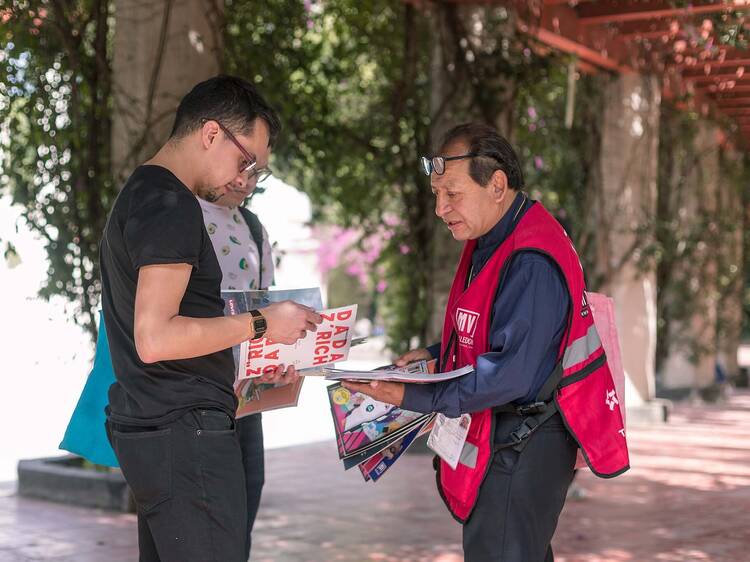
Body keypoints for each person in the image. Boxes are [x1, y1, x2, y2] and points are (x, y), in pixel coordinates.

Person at [344, 123, 629, 562]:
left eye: (452, 194)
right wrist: (435, 355)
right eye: (437, 194)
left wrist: (412, 394)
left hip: (526, 437)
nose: (440, 208)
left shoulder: (531, 257)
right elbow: (496, 329)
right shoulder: (494, 238)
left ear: (497, 184)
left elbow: (511, 373)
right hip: (509, 429)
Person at [100, 75, 321, 562]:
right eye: (247, 160)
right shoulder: (170, 204)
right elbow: (155, 338)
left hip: (164, 430)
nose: (245, 178)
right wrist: (263, 322)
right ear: (211, 133)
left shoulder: (144, 193)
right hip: (185, 439)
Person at [197, 167, 278, 560]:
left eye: (258, 172)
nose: (247, 181)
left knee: (239, 524)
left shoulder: (253, 226)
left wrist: (281, 362)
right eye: (241, 166)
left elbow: (265, 313)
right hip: (193, 405)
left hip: (246, 404)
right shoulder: (177, 215)